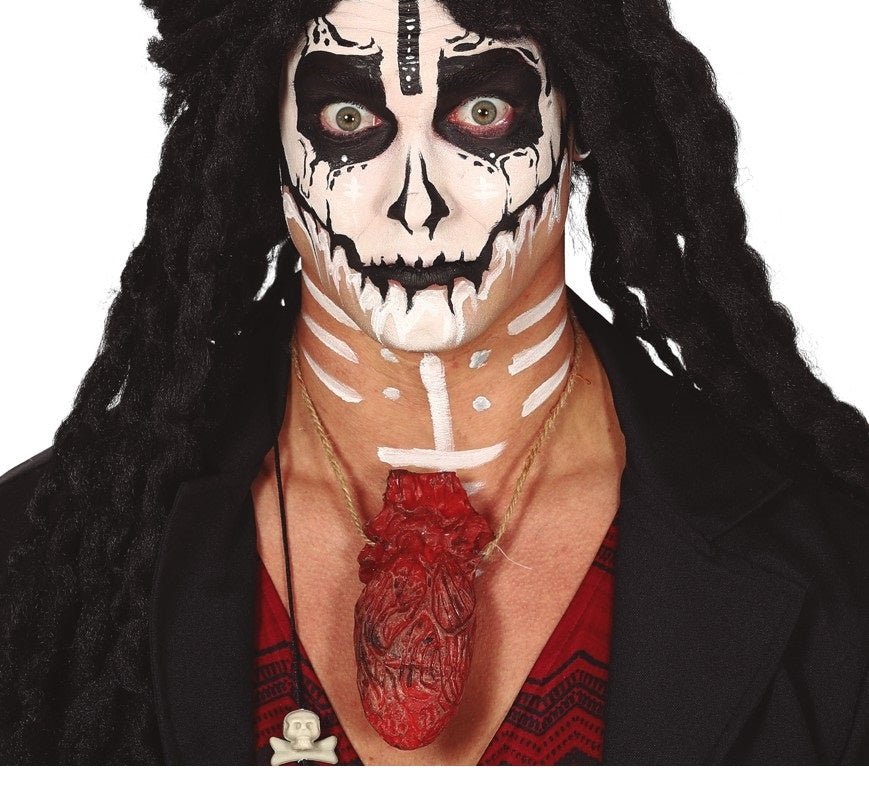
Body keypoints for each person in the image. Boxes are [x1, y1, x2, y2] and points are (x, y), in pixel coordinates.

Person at [1, 0, 867, 766]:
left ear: (582, 116)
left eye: (483, 114)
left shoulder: (838, 569)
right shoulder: (41, 556)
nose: (416, 203)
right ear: (262, 130)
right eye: (346, 118)